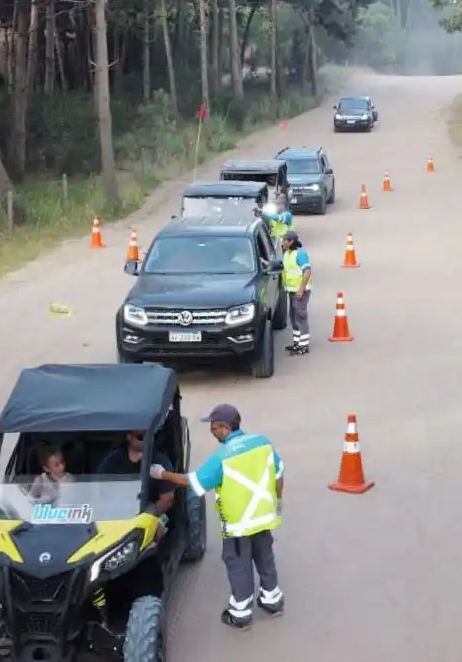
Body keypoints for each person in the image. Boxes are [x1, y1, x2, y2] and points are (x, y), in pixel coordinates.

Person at [150, 404, 284, 629]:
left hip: (239, 525)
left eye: (213, 427)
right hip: (264, 518)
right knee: (264, 557)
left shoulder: (222, 457)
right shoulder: (263, 443)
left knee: (238, 564)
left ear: (225, 427)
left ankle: (240, 613)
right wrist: (277, 502)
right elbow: (279, 474)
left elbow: (192, 482)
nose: (212, 432)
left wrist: (161, 474)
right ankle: (272, 600)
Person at [98, 431, 176, 536]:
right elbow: (101, 491)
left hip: (150, 513)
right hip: (117, 514)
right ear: (129, 437)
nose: (146, 439)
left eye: (150, 435)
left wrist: (148, 516)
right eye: (141, 437)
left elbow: (167, 498)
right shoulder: (113, 461)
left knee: (158, 531)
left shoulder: (160, 461)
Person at [280, 230, 311, 354]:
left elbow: (307, 271)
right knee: (293, 317)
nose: (282, 242)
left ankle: (304, 346)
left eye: (284, 240)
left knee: (300, 317)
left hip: (300, 292)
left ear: (291, 241)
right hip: (292, 291)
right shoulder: (287, 253)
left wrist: (301, 289)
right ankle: (297, 343)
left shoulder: (300, 254)